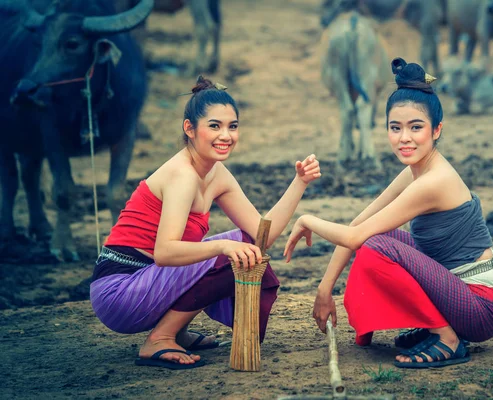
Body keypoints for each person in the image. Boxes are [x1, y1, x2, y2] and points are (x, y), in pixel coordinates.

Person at [284, 58, 493, 369]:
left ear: (437, 129)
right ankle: (437, 326)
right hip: (457, 291)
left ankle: (447, 338)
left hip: (482, 307)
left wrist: (306, 219)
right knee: (378, 237)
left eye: (416, 127)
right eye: (395, 127)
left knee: (377, 245)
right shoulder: (416, 171)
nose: (404, 138)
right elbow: (359, 223)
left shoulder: (433, 181)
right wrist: (324, 289)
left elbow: (355, 237)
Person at [90, 76, 321, 370]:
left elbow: (261, 235)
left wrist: (299, 182)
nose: (225, 135)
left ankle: (178, 331)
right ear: (189, 128)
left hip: (148, 281)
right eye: (214, 126)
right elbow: (164, 252)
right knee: (231, 250)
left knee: (247, 247)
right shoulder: (182, 175)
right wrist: (223, 246)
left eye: (232, 126)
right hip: (119, 291)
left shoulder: (217, 173)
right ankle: (160, 338)